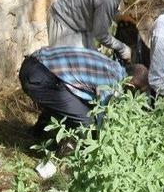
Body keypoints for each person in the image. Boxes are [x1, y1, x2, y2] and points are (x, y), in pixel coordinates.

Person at [18, 45, 148, 136]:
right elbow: (101, 117)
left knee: (71, 103)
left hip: (33, 63)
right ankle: (59, 161)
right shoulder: (112, 82)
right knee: (86, 120)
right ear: (130, 86)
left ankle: (36, 134)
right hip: (38, 77)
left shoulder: (113, 65)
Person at [48, 0, 154, 63]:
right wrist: (123, 49)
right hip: (64, 21)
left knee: (91, 64)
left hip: (78, 21)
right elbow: (100, 35)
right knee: (70, 71)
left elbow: (97, 1)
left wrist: (119, 16)